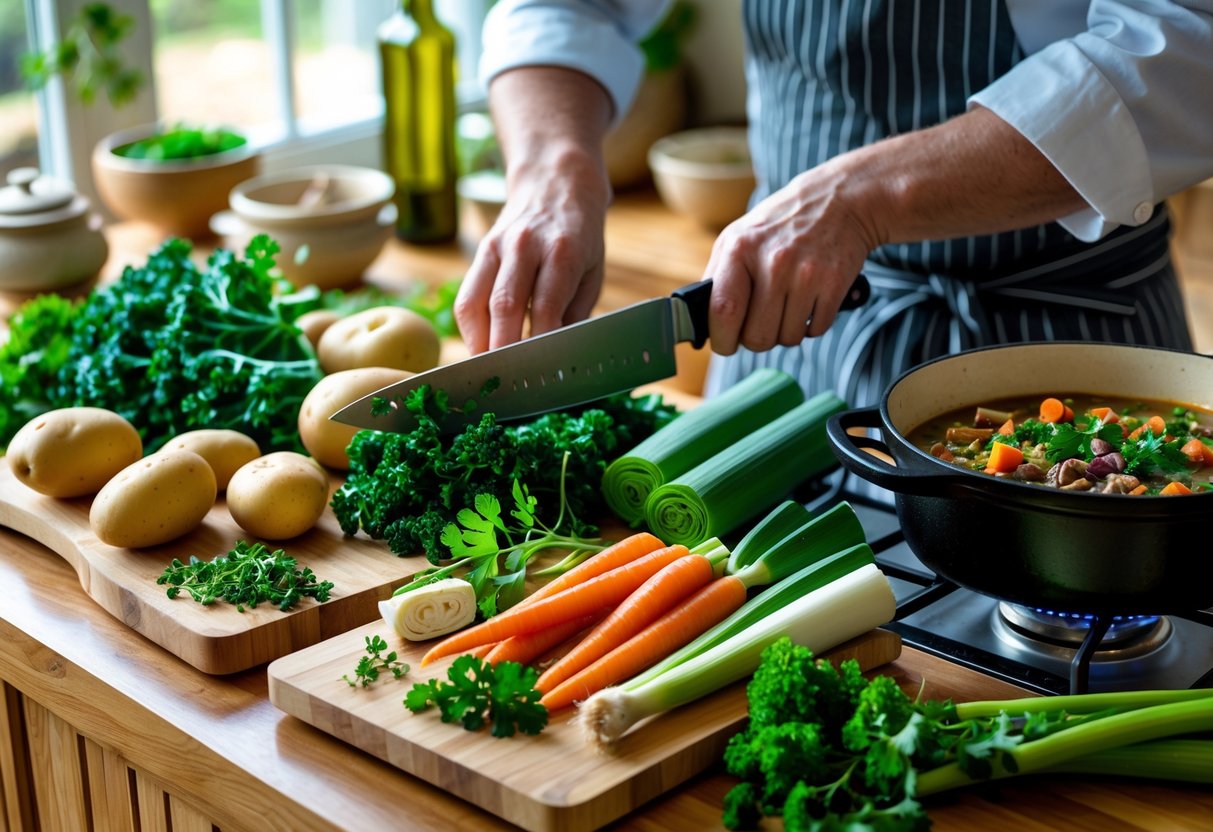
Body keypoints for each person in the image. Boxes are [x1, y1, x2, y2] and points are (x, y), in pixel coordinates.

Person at [454, 0, 1213, 411]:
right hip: (778, 344)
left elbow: (1187, 43)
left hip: (1068, 349)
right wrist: (553, 169)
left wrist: (859, 199)